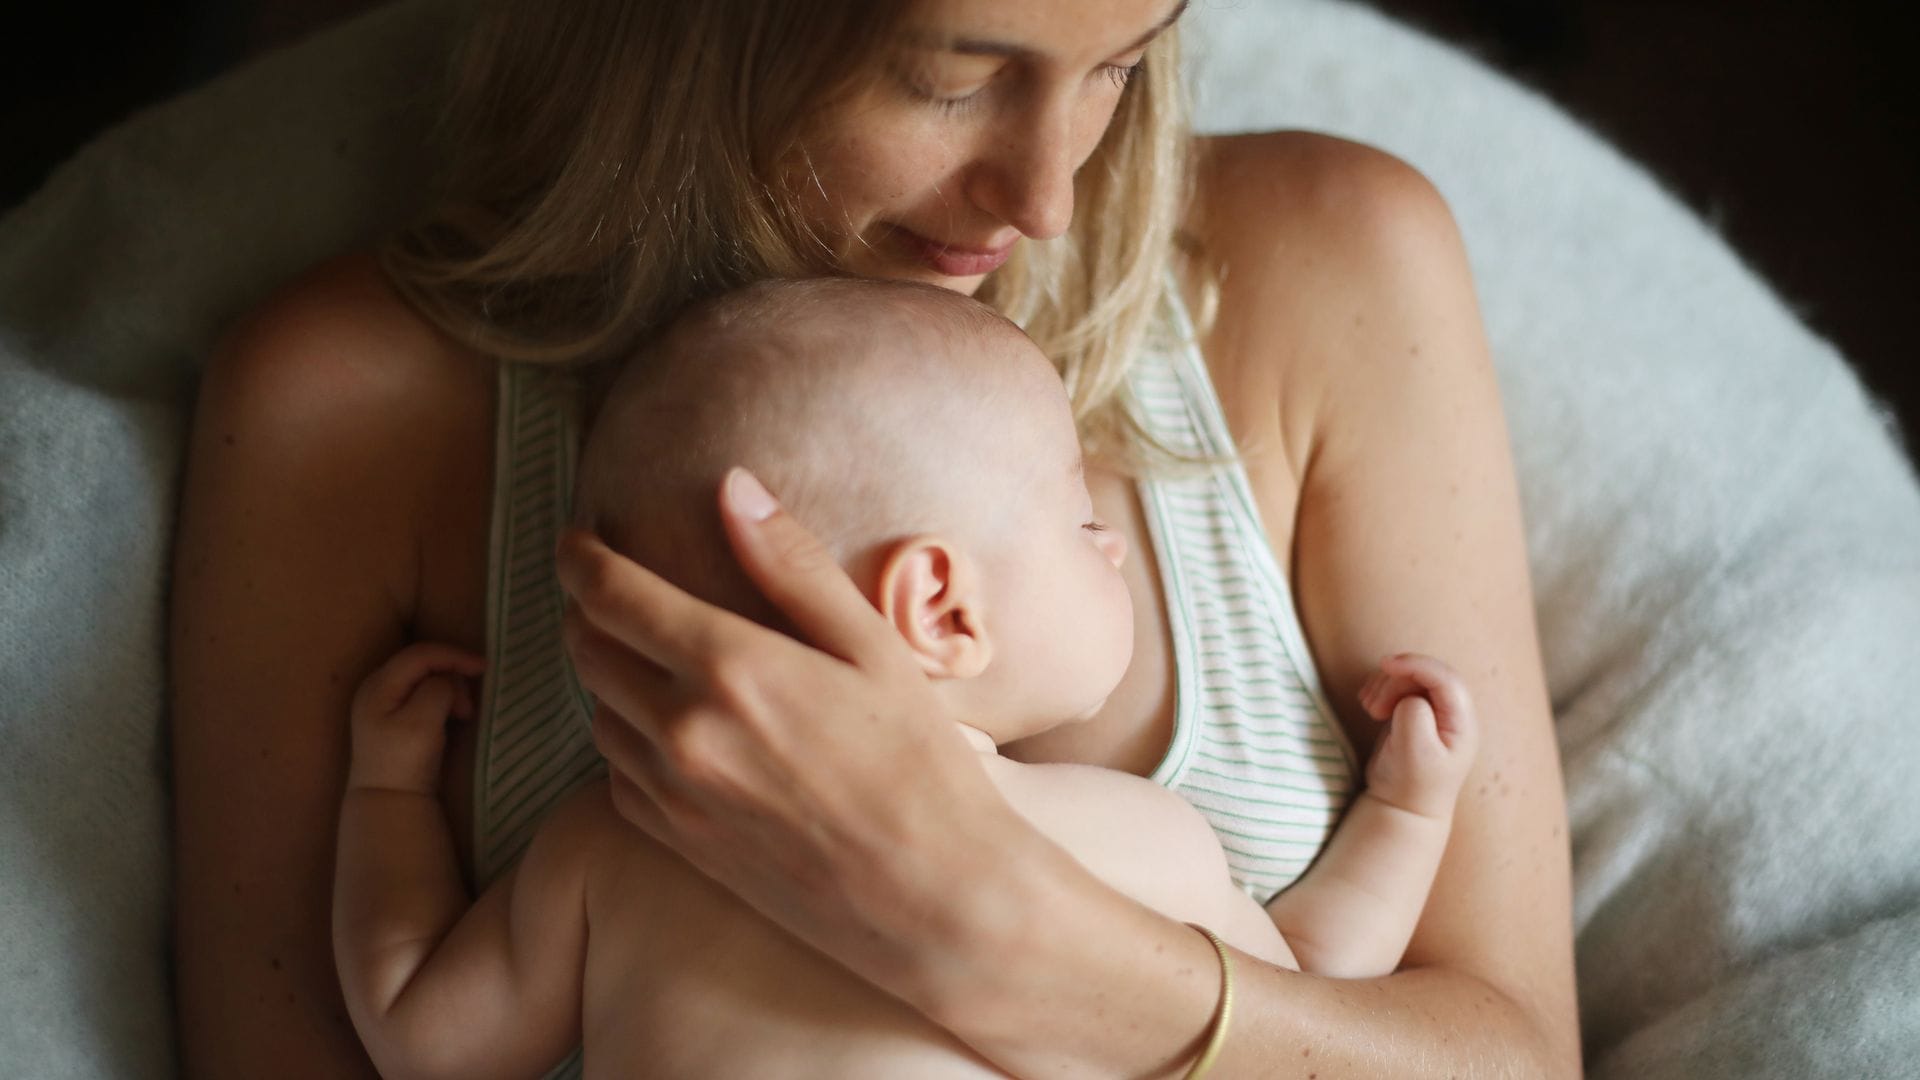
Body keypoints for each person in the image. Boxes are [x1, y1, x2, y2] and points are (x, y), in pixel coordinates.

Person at [169, 1, 1580, 1075]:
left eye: (1121, 63)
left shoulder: (1335, 260)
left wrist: (998, 927)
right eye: (950, 77)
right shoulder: (345, 411)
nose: (1046, 200)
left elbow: (1510, 1055)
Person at [330, 277, 1481, 1078]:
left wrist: (385, 798)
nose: (1115, 545)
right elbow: (1310, 995)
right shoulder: (1134, 841)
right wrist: (1407, 810)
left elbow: (419, 1040)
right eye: (1084, 521)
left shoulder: (614, 845)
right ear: (939, 605)